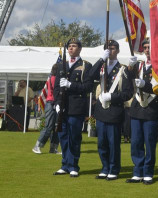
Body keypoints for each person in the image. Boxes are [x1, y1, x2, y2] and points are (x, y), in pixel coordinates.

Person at [89, 40, 134, 181]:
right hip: (101, 111)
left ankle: (114, 169)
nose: (110, 51)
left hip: (114, 111)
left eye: (113, 48)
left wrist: (112, 96)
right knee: (101, 142)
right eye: (107, 49)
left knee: (113, 143)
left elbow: (127, 93)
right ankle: (105, 168)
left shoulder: (123, 70)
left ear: (118, 51)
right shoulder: (101, 68)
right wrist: (101, 58)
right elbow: (90, 76)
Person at [53, 38, 93, 177]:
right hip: (62, 107)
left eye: (74, 46)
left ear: (80, 49)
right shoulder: (61, 65)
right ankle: (65, 164)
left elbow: (88, 87)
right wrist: (57, 103)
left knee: (74, 137)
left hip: (76, 107)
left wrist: (71, 85)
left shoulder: (85, 66)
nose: (71, 48)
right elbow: (56, 87)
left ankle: (74, 165)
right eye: (69, 46)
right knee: (63, 135)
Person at [126, 38, 158, 185]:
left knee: (150, 142)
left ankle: (148, 172)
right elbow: (129, 82)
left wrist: (145, 85)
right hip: (137, 107)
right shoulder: (139, 66)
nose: (147, 50)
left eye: (150, 47)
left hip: (151, 107)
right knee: (136, 142)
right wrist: (130, 67)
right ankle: (137, 172)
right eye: (145, 47)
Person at [32, 64, 61, 154]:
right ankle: (37, 146)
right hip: (51, 103)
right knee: (48, 127)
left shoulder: (54, 78)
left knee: (56, 127)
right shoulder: (53, 78)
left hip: (55, 103)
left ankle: (53, 148)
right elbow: (56, 90)